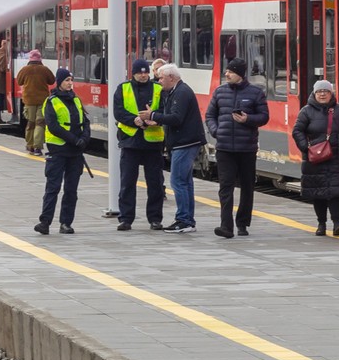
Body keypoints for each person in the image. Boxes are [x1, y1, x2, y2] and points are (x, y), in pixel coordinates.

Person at [204, 56, 269, 238]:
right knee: (225, 187)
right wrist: (217, 131)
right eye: (226, 71)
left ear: (239, 74)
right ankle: (226, 226)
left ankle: (242, 223)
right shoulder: (219, 92)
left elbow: (264, 117)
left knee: (247, 187)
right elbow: (209, 115)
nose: (227, 74)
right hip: (224, 148)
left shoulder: (255, 93)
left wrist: (248, 119)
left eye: (230, 72)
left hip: (247, 148)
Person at [292, 79, 339, 236]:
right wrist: (305, 147)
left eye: (326, 91)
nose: (323, 94)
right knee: (318, 193)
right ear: (314, 94)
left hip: (337, 157)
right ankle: (321, 224)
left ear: (331, 93)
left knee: (335, 192)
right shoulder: (306, 111)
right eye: (319, 92)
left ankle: (337, 223)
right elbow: (297, 131)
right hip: (315, 159)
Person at [147, 64, 206, 234]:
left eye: (161, 78)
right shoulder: (175, 92)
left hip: (185, 142)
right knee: (185, 182)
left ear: (171, 77)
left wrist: (153, 116)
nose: (159, 81)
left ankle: (184, 220)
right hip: (184, 142)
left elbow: (176, 118)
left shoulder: (181, 93)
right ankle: (187, 219)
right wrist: (158, 120)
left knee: (178, 181)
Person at [34, 68, 89, 236]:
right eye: (66, 80)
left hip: (75, 153)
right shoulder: (51, 101)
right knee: (53, 188)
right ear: (59, 82)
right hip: (58, 151)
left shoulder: (76, 100)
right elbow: (53, 126)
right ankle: (45, 222)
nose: (70, 83)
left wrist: (85, 139)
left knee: (71, 190)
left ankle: (66, 223)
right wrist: (74, 140)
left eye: (71, 80)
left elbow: (85, 122)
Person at [113, 58, 166, 231]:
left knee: (155, 183)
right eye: (139, 72)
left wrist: (153, 118)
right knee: (127, 182)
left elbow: (165, 111)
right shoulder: (123, 88)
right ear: (133, 73)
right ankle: (126, 218)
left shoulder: (159, 89)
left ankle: (155, 219)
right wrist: (134, 120)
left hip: (153, 142)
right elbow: (118, 111)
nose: (143, 75)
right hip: (130, 141)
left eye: (145, 72)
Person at [15, 49, 55, 156]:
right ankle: (38, 148)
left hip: (29, 101)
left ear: (30, 59)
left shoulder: (25, 69)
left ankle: (30, 146)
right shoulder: (44, 69)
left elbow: (19, 81)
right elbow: (52, 80)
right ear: (39, 59)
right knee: (40, 124)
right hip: (42, 100)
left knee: (30, 123)